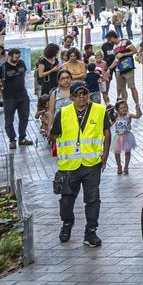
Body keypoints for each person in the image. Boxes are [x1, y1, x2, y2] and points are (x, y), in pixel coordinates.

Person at [49, 81, 111, 247]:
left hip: (92, 164)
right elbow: (53, 135)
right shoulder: (62, 113)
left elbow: (107, 132)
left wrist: (104, 156)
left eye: (84, 93)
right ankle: (67, 223)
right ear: (72, 97)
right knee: (67, 200)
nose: (81, 97)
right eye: (77, 94)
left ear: (88, 94)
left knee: (92, 199)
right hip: (69, 165)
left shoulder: (99, 110)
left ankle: (90, 232)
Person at [0, 48, 32, 149]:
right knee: (9, 120)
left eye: (19, 57)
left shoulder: (21, 63)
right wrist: (1, 92)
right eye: (16, 57)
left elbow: (23, 75)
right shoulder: (3, 68)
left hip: (23, 96)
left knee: (24, 117)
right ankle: (12, 140)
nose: (18, 59)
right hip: (9, 98)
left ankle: (22, 138)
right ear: (9, 56)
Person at [110, 99, 141, 175]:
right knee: (117, 153)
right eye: (121, 108)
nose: (124, 109)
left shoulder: (128, 115)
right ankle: (119, 166)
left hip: (127, 137)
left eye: (125, 107)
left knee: (127, 152)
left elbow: (137, 116)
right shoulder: (116, 117)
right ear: (117, 110)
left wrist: (138, 110)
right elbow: (109, 124)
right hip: (118, 138)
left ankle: (126, 166)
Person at [111, 35, 140, 108]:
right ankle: (124, 106)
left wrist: (123, 54)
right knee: (122, 88)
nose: (109, 41)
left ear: (112, 37)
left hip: (128, 68)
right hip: (119, 69)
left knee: (132, 87)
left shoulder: (125, 41)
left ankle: (137, 104)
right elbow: (116, 59)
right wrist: (110, 69)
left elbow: (135, 51)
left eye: (109, 39)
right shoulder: (114, 47)